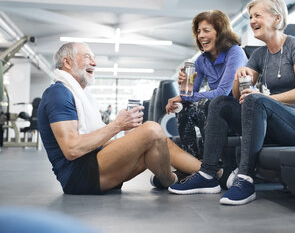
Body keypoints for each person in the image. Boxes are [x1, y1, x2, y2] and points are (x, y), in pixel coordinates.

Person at [169, 0, 295, 205]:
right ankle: (207, 174)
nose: (252, 21)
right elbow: (236, 96)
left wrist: (262, 98)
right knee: (220, 103)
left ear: (277, 19)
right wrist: (239, 78)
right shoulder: (259, 54)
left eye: (257, 15)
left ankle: (245, 179)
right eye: (250, 16)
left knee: (256, 100)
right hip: (275, 123)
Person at [37, 42, 201, 195]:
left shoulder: (82, 95)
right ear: (67, 62)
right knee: (152, 129)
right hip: (80, 177)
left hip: (94, 165)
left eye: (94, 58)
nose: (94, 63)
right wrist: (117, 125)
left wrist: (127, 135)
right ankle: (174, 180)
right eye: (87, 57)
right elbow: (72, 149)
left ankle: (213, 174)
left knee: (159, 140)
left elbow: (96, 143)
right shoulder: (58, 93)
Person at [165, 10, 248, 159]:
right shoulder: (201, 60)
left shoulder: (235, 52)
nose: (201, 35)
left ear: (220, 33)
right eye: (198, 32)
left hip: (238, 111)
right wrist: (183, 86)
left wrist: (185, 97)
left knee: (205, 104)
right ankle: (192, 161)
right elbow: (189, 95)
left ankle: (212, 161)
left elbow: (222, 92)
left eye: (206, 30)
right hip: (217, 110)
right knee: (184, 108)